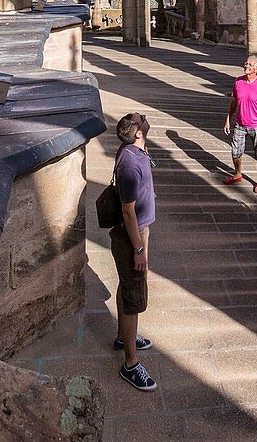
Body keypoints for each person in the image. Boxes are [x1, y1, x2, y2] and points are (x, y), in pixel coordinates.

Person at [110, 111, 157, 391]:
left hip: (140, 232)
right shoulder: (129, 164)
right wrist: (139, 248)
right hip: (132, 237)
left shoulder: (136, 149)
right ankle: (130, 364)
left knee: (127, 286)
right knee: (133, 296)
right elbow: (128, 212)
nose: (143, 117)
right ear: (138, 132)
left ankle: (122, 337)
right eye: (140, 119)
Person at [222, 54, 257, 194]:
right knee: (235, 152)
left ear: (256, 68)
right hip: (240, 124)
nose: (246, 66)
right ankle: (237, 174)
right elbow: (234, 102)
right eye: (246, 64)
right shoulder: (238, 81)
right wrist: (227, 118)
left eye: (249, 65)